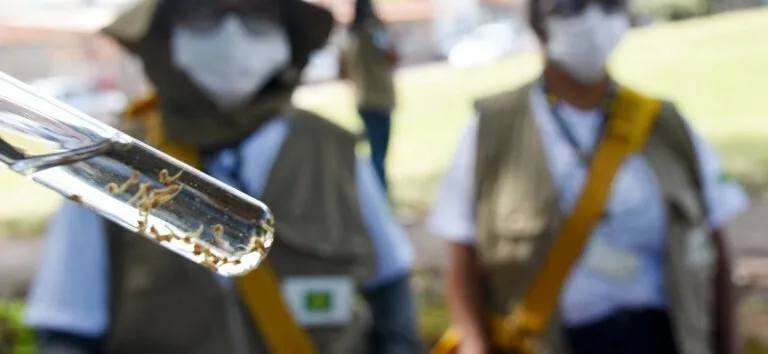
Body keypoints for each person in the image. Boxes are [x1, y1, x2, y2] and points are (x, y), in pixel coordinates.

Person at [23, 1, 421, 353]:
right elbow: (67, 329)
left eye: (257, 15)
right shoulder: (108, 166)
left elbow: (392, 297)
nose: (233, 35)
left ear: (287, 34)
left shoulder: (336, 153)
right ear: (163, 34)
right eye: (203, 13)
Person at [427, 0, 748, 353]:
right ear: (537, 24)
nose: (592, 19)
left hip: (663, 337)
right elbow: (462, 259)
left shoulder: (665, 125)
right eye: (571, 6)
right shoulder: (493, 128)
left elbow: (716, 246)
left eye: (608, 4)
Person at [341, 0, 398, 193]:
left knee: (374, 148)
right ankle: (379, 198)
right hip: (379, 99)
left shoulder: (350, 36)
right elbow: (392, 57)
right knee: (378, 155)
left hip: (362, 99)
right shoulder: (374, 32)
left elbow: (342, 72)